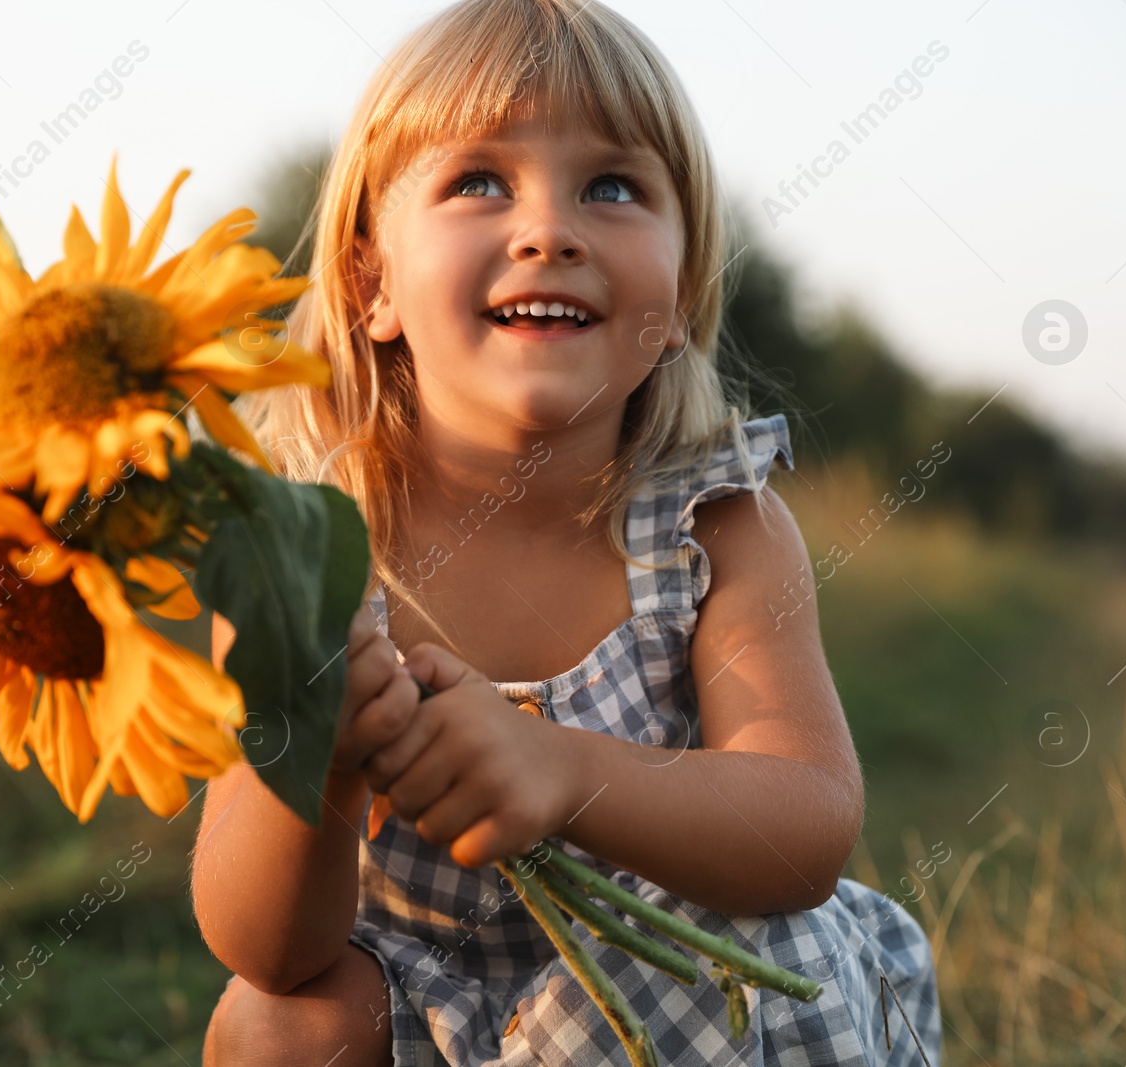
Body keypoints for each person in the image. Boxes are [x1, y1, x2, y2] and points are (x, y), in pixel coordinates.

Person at [191, 1, 942, 1064]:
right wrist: (315, 763)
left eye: (612, 187)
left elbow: (804, 825)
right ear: (371, 285)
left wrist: (560, 769)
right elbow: (260, 941)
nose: (549, 228)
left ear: (679, 294)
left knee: (764, 944)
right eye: (478, 183)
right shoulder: (299, 552)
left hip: (673, 999)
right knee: (280, 1020)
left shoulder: (717, 528)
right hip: (425, 1011)